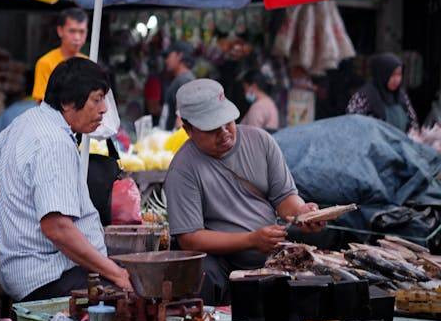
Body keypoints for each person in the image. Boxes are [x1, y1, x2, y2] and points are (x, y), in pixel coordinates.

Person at [0, 58, 132, 302]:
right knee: (134, 298)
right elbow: (57, 227)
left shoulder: (30, 119)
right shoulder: (54, 142)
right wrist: (117, 274)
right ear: (68, 103)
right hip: (48, 276)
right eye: (97, 99)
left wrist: (24, 189)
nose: (104, 109)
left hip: (23, 272)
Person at [164, 79, 321, 305]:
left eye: (227, 122)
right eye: (211, 128)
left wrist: (303, 213)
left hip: (272, 255)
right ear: (188, 130)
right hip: (224, 262)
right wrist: (251, 240)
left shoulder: (261, 141)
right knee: (201, 270)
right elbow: (190, 239)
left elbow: (285, 198)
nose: (224, 132)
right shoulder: (183, 169)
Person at [346, 53, 418, 133]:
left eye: (399, 74)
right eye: (392, 75)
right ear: (382, 74)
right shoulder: (364, 96)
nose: (397, 79)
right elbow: (352, 124)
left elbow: (413, 123)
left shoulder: (401, 96)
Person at [32, 7, 89, 101]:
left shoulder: (88, 63)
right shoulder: (46, 63)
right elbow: (42, 102)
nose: (77, 37)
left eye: (82, 32)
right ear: (60, 31)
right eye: (72, 31)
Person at [160, 40, 196, 130]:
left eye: (169, 56)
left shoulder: (184, 81)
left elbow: (182, 120)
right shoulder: (181, 79)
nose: (166, 60)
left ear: (179, 56)